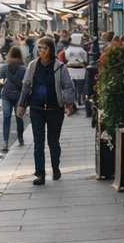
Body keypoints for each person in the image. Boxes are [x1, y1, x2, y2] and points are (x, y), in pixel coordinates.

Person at [16, 36, 78, 185]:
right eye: (39, 47)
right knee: (38, 143)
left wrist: (65, 100)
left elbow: (68, 86)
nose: (41, 51)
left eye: (44, 48)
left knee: (53, 142)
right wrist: (21, 104)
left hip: (55, 109)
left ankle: (55, 167)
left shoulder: (59, 67)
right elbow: (26, 86)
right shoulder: (32, 66)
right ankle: (40, 174)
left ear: (51, 49)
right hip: (36, 108)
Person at [0, 46, 29, 151]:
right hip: (19, 94)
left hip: (6, 95)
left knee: (6, 117)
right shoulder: (24, 68)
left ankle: (5, 142)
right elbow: (27, 83)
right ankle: (20, 138)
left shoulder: (5, 67)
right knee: (19, 117)